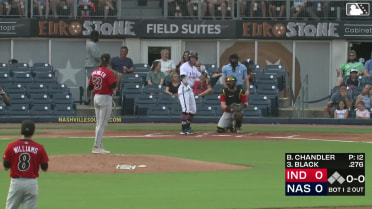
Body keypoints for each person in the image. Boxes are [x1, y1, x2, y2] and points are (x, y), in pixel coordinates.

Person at [2, 120, 49, 209]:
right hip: (32, 183)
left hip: (16, 183)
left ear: (21, 130)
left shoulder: (11, 146)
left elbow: (5, 167)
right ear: (33, 131)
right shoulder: (39, 148)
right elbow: (45, 168)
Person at [88, 53, 116, 154]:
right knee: (102, 123)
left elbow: (90, 87)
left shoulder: (94, 72)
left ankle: (99, 144)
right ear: (108, 61)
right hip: (105, 98)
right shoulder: (108, 73)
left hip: (96, 97)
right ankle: (96, 146)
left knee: (98, 123)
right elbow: (113, 85)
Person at [178, 51, 202, 135]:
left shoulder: (194, 68)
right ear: (189, 58)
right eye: (192, 57)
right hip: (184, 88)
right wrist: (186, 85)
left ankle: (188, 126)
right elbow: (182, 77)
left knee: (193, 110)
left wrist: (204, 72)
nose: (193, 59)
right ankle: (183, 128)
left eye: (194, 58)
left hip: (190, 90)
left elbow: (201, 77)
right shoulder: (184, 66)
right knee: (185, 109)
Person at [85, 30, 100, 105]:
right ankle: (89, 99)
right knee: (93, 83)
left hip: (93, 66)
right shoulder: (91, 44)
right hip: (92, 66)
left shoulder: (93, 44)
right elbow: (95, 56)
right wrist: (103, 61)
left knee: (94, 83)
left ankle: (91, 98)